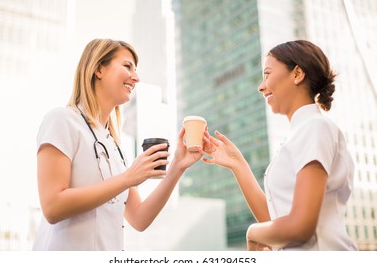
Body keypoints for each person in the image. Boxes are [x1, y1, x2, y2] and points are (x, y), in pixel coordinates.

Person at [33, 39, 204, 250]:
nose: (136, 77)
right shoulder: (62, 120)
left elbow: (139, 218)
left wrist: (178, 166)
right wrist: (127, 178)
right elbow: (52, 206)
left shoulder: (113, 146)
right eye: (127, 66)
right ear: (98, 69)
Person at [202, 40, 357, 251]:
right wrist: (237, 164)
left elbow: (300, 226)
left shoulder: (314, 128)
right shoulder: (300, 134)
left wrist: (252, 232)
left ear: (297, 74)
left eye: (267, 74)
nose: (261, 86)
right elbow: (274, 219)